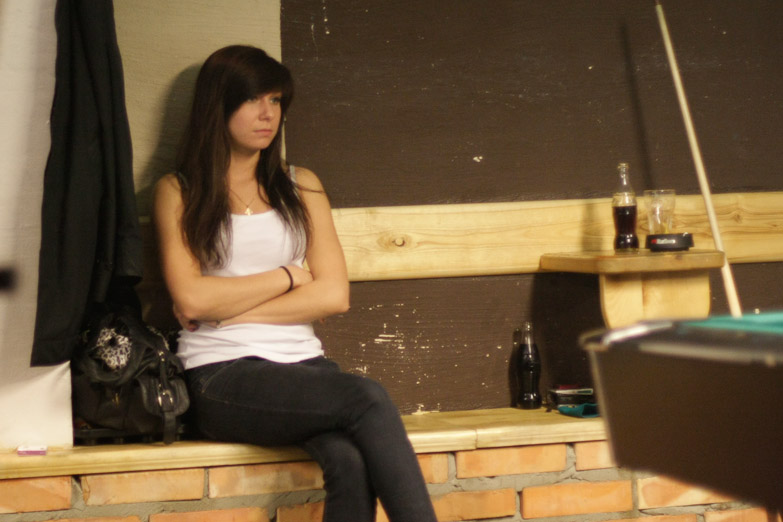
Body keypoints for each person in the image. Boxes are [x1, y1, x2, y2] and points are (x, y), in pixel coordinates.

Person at [153, 45, 437, 522]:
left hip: (305, 365)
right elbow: (192, 298)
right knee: (367, 396)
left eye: (276, 100)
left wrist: (227, 310)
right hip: (221, 372)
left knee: (349, 459)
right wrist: (286, 276)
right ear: (218, 105)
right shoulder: (179, 191)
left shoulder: (300, 185)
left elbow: (333, 295)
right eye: (253, 100)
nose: (268, 114)